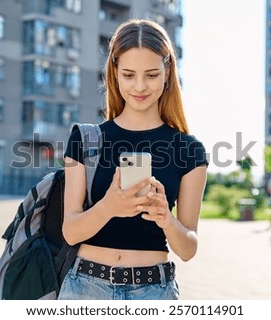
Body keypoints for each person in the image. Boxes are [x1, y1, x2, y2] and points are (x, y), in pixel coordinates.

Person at [59, 19, 208, 300]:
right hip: (85, 288)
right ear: (114, 73)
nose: (140, 86)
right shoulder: (86, 139)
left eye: (151, 75)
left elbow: (188, 249)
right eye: (129, 75)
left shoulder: (189, 149)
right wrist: (109, 206)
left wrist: (166, 219)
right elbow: (70, 232)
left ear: (168, 72)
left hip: (154, 291)